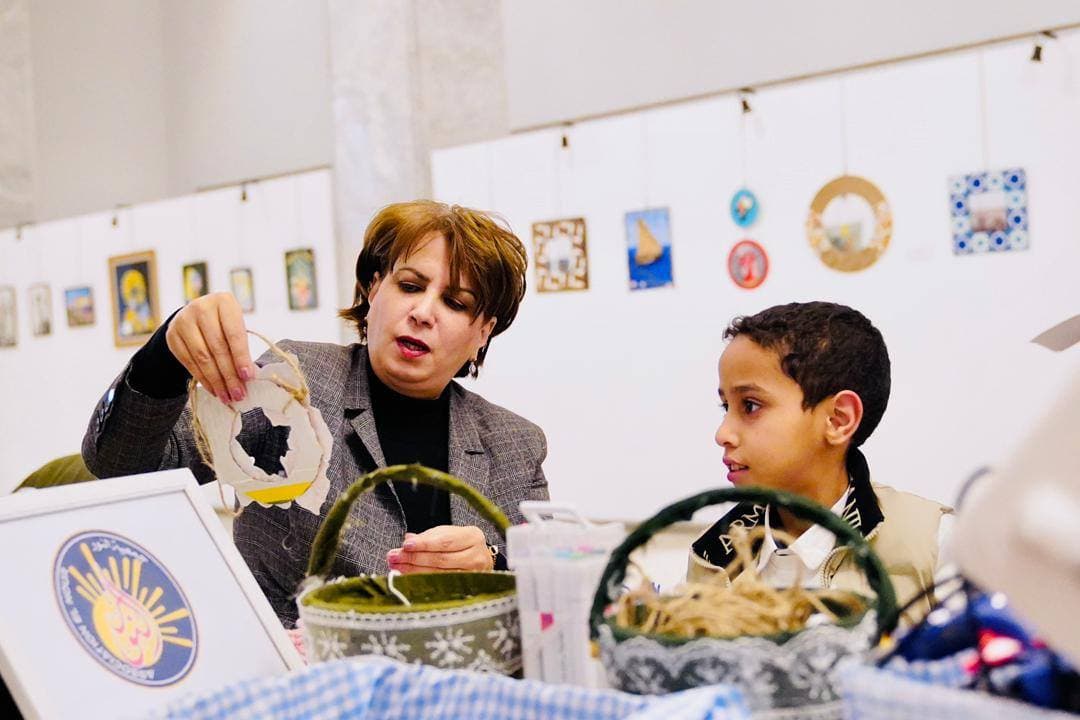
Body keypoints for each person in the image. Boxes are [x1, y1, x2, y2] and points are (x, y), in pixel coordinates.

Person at [83, 201, 549, 627]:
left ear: (483, 332)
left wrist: (492, 562)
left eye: (455, 303)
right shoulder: (296, 383)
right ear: (373, 289)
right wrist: (164, 356)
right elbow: (124, 465)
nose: (424, 312)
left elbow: (550, 586)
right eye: (410, 285)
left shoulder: (514, 443)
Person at [687, 301, 951, 621]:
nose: (723, 433)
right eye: (725, 406)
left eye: (751, 406)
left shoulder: (932, 542)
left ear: (838, 420)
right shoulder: (713, 558)